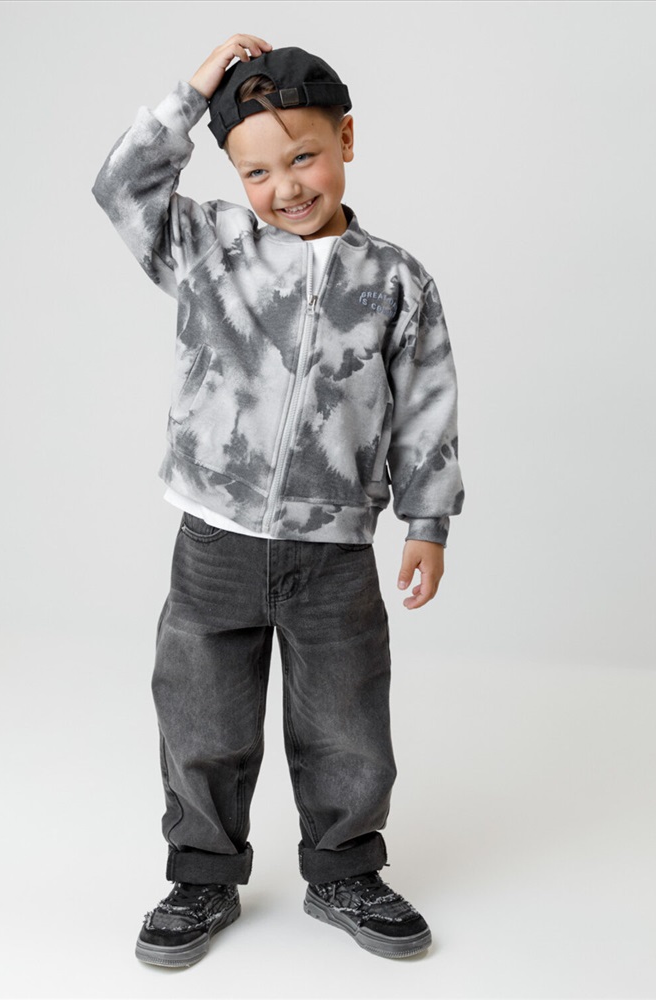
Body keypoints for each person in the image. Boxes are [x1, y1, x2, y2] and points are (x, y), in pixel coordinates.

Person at [91, 33, 465, 966]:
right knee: (201, 717)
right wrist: (191, 94)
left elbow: (426, 404)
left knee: (346, 720)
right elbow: (122, 186)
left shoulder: (396, 282)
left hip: (334, 551)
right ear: (233, 173)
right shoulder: (210, 248)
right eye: (257, 171)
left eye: (303, 157)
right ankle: (201, 877)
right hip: (215, 543)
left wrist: (427, 522)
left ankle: (343, 869)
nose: (286, 187)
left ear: (346, 139)